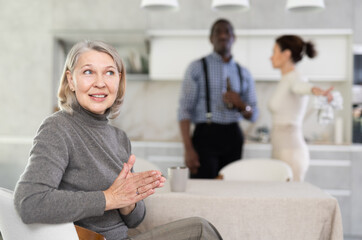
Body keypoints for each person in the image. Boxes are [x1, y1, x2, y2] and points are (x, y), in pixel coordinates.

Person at [14, 40, 223, 240]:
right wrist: (109, 198)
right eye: (88, 72)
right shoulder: (58, 128)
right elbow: (30, 202)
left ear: (119, 80)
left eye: (109, 73)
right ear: (71, 80)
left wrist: (127, 201)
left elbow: (135, 219)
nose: (100, 83)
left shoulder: (119, 138)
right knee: (201, 231)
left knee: (199, 227)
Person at [178, 19, 258, 179]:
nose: (223, 35)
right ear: (211, 38)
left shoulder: (244, 72)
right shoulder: (197, 67)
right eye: (218, 31)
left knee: (231, 189)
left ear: (233, 37)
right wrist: (188, 148)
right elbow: (184, 110)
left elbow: (254, 114)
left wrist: (241, 104)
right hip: (205, 134)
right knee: (202, 190)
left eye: (227, 31)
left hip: (233, 135)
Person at [268, 35, 333, 181]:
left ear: (286, 55)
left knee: (292, 199)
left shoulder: (295, 77)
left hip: (291, 152)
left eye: (274, 52)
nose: (270, 57)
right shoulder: (285, 79)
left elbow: (302, 87)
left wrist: (317, 91)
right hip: (280, 149)